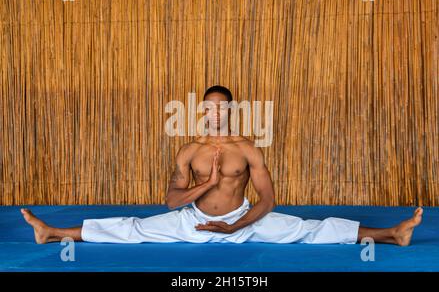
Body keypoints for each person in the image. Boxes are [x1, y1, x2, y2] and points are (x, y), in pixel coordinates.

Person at [21, 85, 423, 245]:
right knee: (133, 228)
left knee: (308, 230)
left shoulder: (248, 149)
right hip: (191, 222)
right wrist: (207, 182)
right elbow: (170, 201)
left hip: (244, 223)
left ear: (231, 109)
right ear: (202, 111)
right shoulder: (188, 150)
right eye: (208, 107)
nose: (215, 112)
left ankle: (392, 233)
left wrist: (236, 224)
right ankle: (52, 232)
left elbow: (268, 198)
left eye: (221, 106)